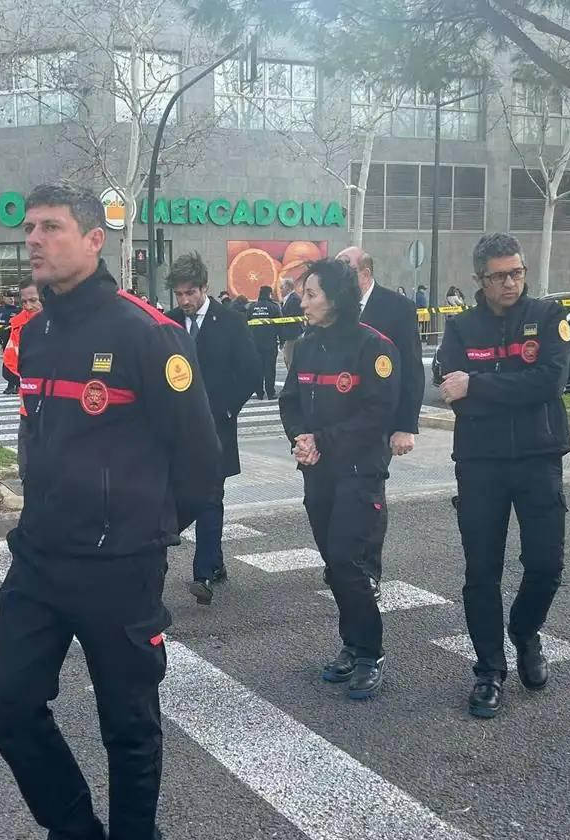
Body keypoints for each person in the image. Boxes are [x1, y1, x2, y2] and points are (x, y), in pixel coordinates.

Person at [0, 184, 221, 840]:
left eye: (51, 227)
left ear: (95, 239)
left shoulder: (149, 332)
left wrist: (147, 533)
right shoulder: (31, 334)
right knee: (11, 711)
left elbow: (201, 461)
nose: (33, 238)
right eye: (29, 227)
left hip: (120, 567)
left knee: (129, 729)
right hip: (38, 560)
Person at [437, 232, 570, 720]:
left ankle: (525, 630)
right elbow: (449, 388)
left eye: (517, 272)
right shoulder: (461, 328)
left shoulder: (548, 318)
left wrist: (480, 385)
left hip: (539, 455)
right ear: (480, 280)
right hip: (480, 463)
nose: (511, 282)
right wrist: (484, 388)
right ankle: (489, 669)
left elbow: (549, 382)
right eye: (499, 275)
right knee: (481, 572)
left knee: (546, 565)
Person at [279, 258, 399, 701]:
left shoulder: (374, 347)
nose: (303, 302)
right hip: (318, 473)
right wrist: (300, 439)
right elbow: (289, 400)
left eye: (311, 294)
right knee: (336, 566)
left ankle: (370, 652)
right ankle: (351, 644)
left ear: (336, 298)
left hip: (359, 473)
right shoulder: (308, 345)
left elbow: (376, 414)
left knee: (350, 563)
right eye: (303, 294)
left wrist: (323, 440)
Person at [166, 253, 259, 606]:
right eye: (179, 294)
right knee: (178, 495)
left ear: (204, 287)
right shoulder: (169, 322)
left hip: (216, 426)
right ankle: (215, 562)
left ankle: (202, 572)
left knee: (209, 496)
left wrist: (226, 409)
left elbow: (250, 371)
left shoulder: (231, 322)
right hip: (177, 429)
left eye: (191, 293)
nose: (185, 301)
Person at [336, 246, 425, 599]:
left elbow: (413, 370)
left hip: (380, 420)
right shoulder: (337, 307)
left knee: (369, 491)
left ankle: (369, 568)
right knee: (341, 491)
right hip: (340, 423)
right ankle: (343, 561)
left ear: (365, 272)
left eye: (346, 270)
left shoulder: (397, 308)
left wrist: (406, 425)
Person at [3, 277, 43, 479]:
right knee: (27, 466)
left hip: (61, 405)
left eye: (33, 300)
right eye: (24, 302)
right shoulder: (19, 326)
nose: (28, 306)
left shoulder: (66, 323)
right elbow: (9, 365)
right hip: (29, 404)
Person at [247, 286, 282, 399]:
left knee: (257, 369)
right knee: (270, 369)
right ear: (269, 294)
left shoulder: (252, 307)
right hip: (270, 343)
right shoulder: (274, 307)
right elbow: (280, 325)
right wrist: (281, 340)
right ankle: (270, 393)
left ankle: (259, 393)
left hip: (254, 343)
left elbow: (246, 325)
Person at [278, 276, 304, 369]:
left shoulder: (295, 299)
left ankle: (293, 381)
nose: (280, 289)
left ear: (288, 287)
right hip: (287, 335)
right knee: (287, 359)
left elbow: (292, 317)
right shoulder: (286, 300)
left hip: (293, 335)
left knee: (291, 360)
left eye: (282, 287)